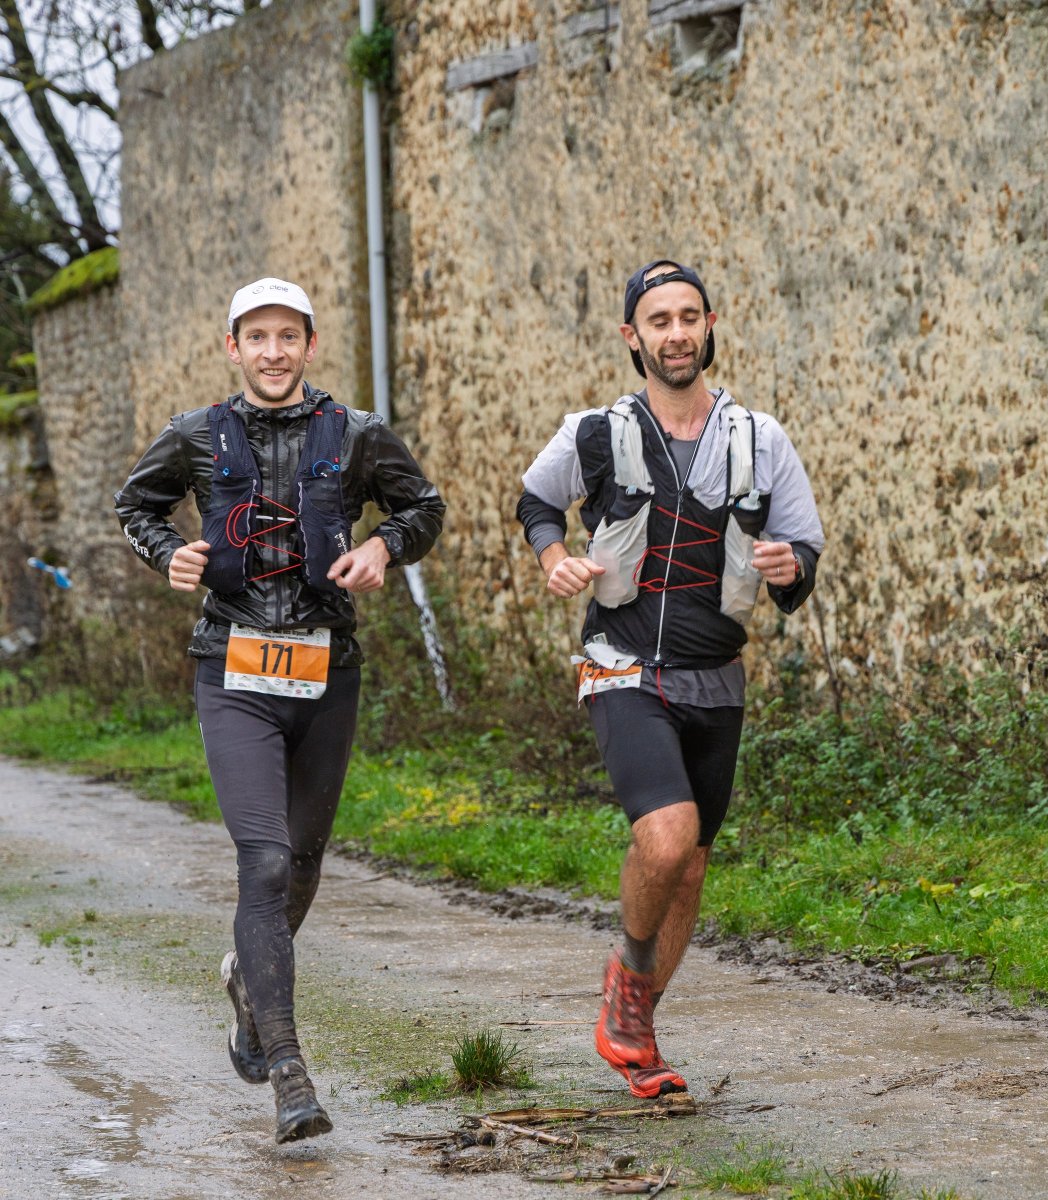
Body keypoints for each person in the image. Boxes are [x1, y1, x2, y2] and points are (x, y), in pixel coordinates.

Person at [114, 277, 445, 1143]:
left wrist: (383, 547)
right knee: (261, 861)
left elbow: (424, 507)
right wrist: (168, 553)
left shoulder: (358, 433)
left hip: (327, 671)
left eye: (286, 336)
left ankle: (246, 983)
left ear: (309, 343)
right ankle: (290, 1073)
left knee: (299, 865)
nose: (272, 352)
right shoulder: (195, 434)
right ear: (233, 347)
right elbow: (134, 504)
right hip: (231, 667)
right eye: (256, 337)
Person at [516, 260, 824, 1099]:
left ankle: (636, 1032)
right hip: (621, 666)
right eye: (660, 321)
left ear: (710, 325)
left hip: (716, 678)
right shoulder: (595, 433)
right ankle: (629, 977)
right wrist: (553, 558)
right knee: (667, 836)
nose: (677, 334)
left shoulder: (761, 440)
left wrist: (789, 565)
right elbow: (536, 501)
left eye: (690, 317)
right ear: (633, 336)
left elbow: (802, 558)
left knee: (689, 868)